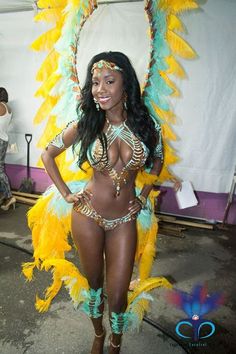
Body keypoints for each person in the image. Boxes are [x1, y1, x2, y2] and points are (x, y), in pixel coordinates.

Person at [26, 51, 169, 354]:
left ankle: (116, 342)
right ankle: (99, 334)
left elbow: (158, 159)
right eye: (94, 83)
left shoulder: (147, 124)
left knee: (117, 295)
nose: (100, 89)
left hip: (123, 221)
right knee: (95, 288)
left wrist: (143, 197)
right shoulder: (86, 122)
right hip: (87, 215)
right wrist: (66, 194)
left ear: (125, 85)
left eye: (108, 81)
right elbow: (47, 155)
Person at [0, 87, 16, 210]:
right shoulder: (8, 108)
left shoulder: (1, 106)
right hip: (3, 139)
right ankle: (5, 196)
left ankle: (9, 196)